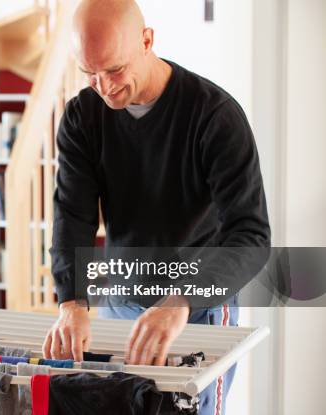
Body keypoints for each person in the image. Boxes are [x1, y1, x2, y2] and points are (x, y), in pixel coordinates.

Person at [41, 0, 271, 414]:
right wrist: (71, 301)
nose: (104, 87)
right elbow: (72, 215)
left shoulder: (214, 116)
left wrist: (180, 301)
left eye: (114, 69)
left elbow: (251, 236)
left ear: (147, 41)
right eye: (89, 74)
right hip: (122, 295)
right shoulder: (82, 117)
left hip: (197, 307)